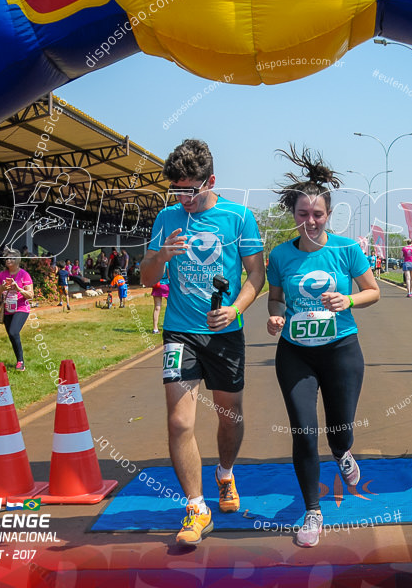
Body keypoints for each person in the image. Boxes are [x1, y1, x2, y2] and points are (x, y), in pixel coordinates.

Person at [139, 138, 266, 547]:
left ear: (211, 180)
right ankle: (196, 507)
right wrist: (162, 257)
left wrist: (237, 309)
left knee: (230, 415)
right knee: (179, 421)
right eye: (177, 190)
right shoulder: (167, 217)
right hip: (179, 330)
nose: (184, 198)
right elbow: (145, 277)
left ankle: (225, 475)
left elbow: (256, 276)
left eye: (190, 189)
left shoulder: (239, 217)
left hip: (225, 332)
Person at [265, 146, 380, 547]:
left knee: (340, 429)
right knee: (303, 430)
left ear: (328, 215)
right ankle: (313, 511)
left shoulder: (346, 250)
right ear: (293, 215)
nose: (310, 221)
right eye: (302, 214)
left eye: (317, 214)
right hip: (295, 351)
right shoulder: (280, 254)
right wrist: (276, 315)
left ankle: (344, 453)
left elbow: (373, 292)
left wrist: (347, 300)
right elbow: (274, 298)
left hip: (341, 349)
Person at [0, 249, 34, 370]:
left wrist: (18, 288)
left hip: (21, 307)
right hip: (7, 308)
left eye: (11, 258)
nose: (8, 261)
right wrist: (2, 288)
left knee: (13, 332)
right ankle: (19, 360)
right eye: (6, 258)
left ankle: (21, 362)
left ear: (17, 260)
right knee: (12, 336)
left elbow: (31, 295)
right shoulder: (2, 275)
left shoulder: (24, 275)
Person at [151, 264, 170, 334]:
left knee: (157, 307)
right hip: (165, 285)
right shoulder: (167, 263)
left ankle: (155, 328)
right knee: (171, 306)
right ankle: (169, 325)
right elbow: (169, 276)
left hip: (157, 285)